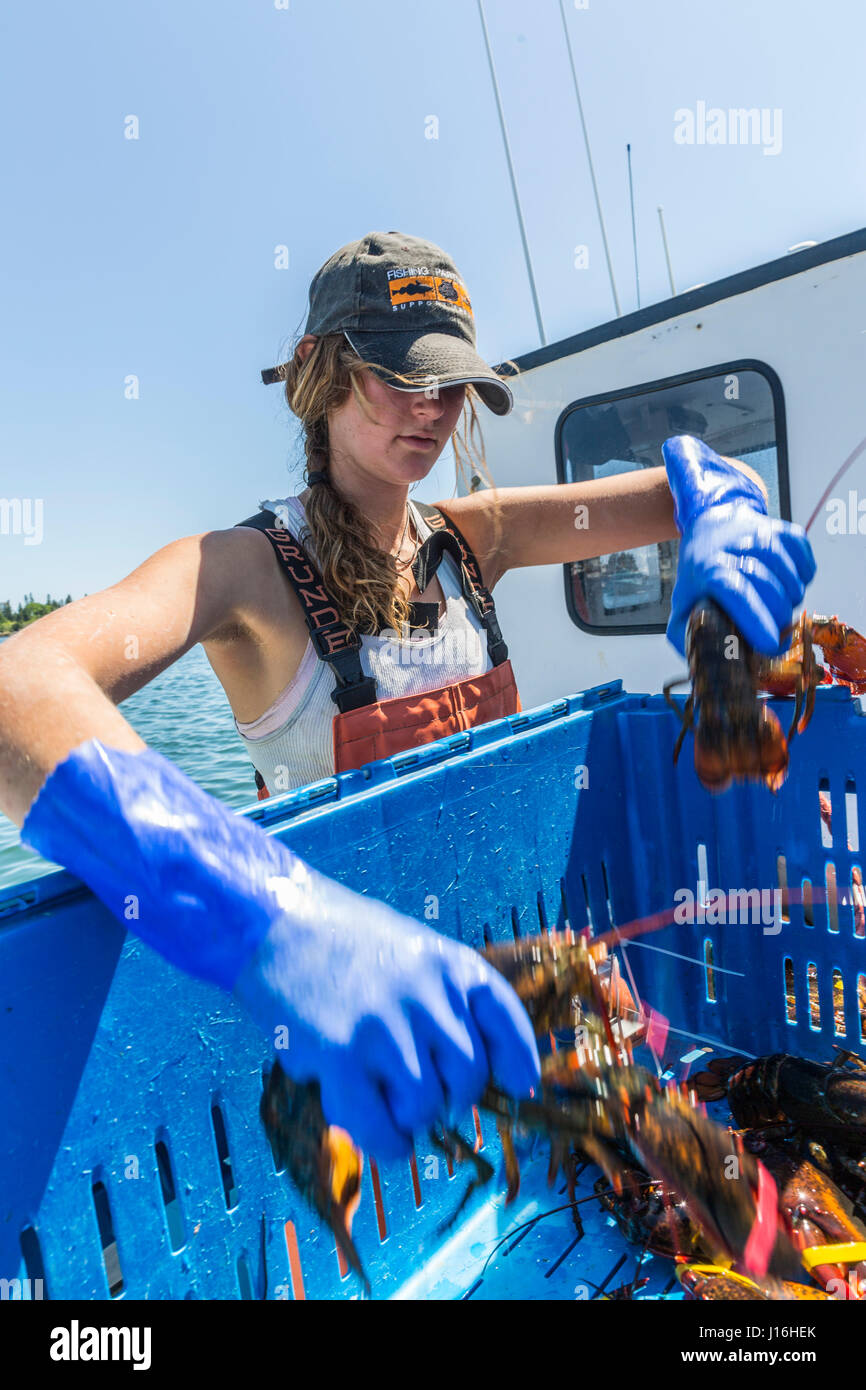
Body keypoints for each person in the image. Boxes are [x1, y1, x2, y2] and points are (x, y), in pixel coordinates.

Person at [0, 231, 815, 1158]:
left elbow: (699, 484)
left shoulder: (478, 538)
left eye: (451, 382)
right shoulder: (244, 574)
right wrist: (272, 918)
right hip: (362, 1061)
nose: (430, 410)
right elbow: (16, 688)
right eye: (398, 376)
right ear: (318, 373)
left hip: (513, 1002)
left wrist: (723, 506)